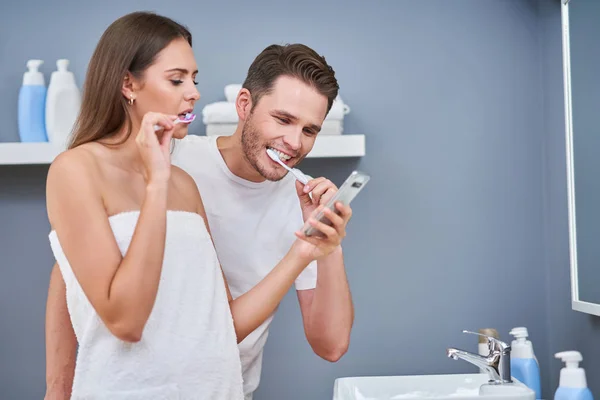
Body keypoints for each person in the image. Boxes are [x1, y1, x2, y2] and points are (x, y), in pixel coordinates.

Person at [44, 11, 353, 400]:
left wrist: (320, 247)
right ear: (244, 105)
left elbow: (233, 327)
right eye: (282, 119)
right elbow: (76, 278)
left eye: (309, 130)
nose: (294, 142)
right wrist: (58, 387)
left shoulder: (189, 186)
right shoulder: (166, 161)